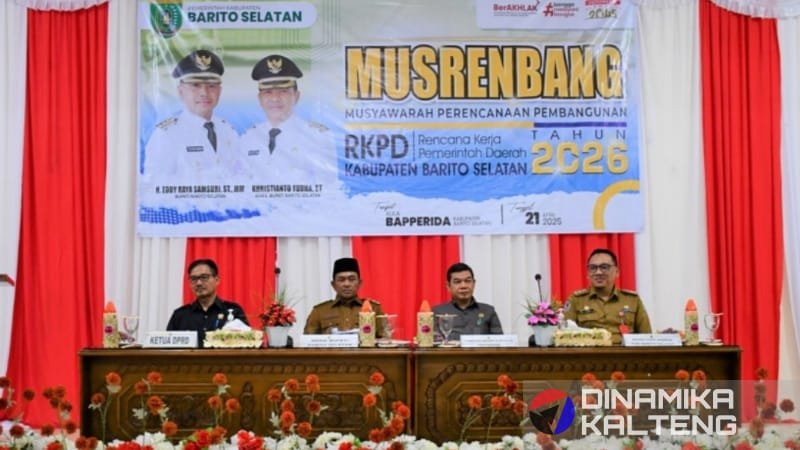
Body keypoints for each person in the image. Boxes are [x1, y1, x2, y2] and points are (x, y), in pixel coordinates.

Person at [240, 54, 337, 189]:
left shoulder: (317, 136)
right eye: (268, 92)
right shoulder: (249, 137)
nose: (275, 98)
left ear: (296, 96)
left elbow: (328, 190)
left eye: (283, 91)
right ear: (260, 98)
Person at [143, 49, 242, 181]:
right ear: (181, 91)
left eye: (211, 86)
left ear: (219, 91)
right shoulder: (166, 134)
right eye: (195, 85)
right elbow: (155, 186)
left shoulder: (228, 130)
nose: (204, 93)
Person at [563, 248, 652, 344]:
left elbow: (647, 338)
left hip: (624, 352)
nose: (598, 272)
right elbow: (565, 336)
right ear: (588, 273)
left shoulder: (632, 300)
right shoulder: (576, 300)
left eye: (604, 267)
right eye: (593, 268)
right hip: (590, 352)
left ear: (617, 271)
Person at [167, 258, 249, 346]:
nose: (198, 283)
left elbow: (248, 343)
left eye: (204, 277)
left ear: (217, 280)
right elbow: (167, 349)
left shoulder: (233, 311)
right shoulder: (180, 315)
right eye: (194, 279)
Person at [304, 257, 385, 335]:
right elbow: (307, 341)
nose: (347, 284)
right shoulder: (319, 311)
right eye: (341, 280)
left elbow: (385, 339)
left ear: (359, 283)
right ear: (333, 285)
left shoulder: (374, 309)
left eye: (352, 279)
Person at [432, 262, 503, 340]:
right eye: (457, 282)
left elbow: (500, 342)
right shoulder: (437, 312)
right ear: (448, 286)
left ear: (474, 284)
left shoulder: (488, 311)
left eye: (468, 281)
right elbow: (432, 342)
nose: (463, 286)